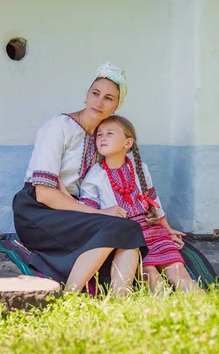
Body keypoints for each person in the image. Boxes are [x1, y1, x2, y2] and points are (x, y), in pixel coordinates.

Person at [13, 62, 148, 296]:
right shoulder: (59, 127)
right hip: (37, 210)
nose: (99, 102)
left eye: (108, 98)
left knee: (128, 228)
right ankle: (71, 295)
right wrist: (101, 214)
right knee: (112, 226)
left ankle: (121, 301)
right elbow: (43, 193)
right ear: (86, 95)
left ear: (116, 106)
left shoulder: (103, 138)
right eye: (95, 93)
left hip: (75, 209)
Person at [78, 115, 198, 293]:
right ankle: (159, 306)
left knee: (178, 272)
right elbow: (88, 210)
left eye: (110, 133)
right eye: (99, 135)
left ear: (128, 143)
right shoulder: (95, 175)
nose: (102, 137)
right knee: (148, 272)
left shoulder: (140, 168)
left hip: (152, 228)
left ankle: (201, 302)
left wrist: (167, 228)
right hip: (127, 234)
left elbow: (153, 201)